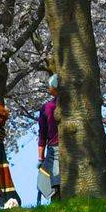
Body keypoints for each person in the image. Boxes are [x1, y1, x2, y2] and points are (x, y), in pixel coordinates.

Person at [36, 75, 60, 204]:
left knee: (53, 179)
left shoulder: (47, 107)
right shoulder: (74, 106)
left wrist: (40, 158)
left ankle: (56, 205)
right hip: (72, 147)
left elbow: (42, 135)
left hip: (54, 147)